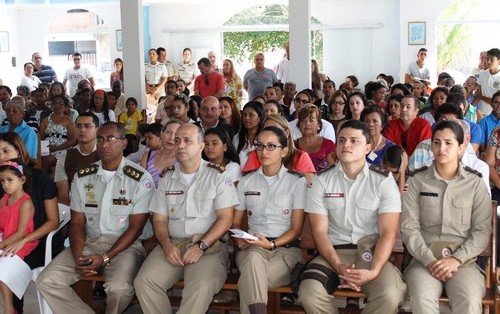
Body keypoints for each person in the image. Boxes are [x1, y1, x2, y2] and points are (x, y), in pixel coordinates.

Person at [36, 122, 154, 314]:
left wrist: (105, 257)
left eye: (110, 139)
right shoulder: (83, 177)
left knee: (119, 290)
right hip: (90, 242)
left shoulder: (140, 178)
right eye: (100, 139)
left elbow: (136, 228)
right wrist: (77, 256)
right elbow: (76, 223)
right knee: (47, 281)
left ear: (124, 143)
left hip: (126, 246)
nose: (104, 144)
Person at [298, 119, 406, 313]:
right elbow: (320, 232)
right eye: (341, 140)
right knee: (309, 292)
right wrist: (338, 266)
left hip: (371, 254)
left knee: (391, 294)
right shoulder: (321, 181)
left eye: (354, 141)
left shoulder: (383, 181)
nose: (346, 144)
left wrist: (374, 270)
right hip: (332, 255)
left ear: (367, 148)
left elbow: (388, 233)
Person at [134, 123, 239, 314]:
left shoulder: (217, 176)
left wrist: (201, 246)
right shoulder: (166, 178)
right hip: (173, 243)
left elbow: (225, 218)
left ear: (201, 145)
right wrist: (166, 245)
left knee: (200, 286)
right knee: (145, 282)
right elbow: (158, 220)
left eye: (187, 140)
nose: (180, 145)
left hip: (209, 246)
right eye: (177, 141)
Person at [401, 120, 491, 314]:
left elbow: (482, 230)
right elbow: (409, 227)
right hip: (424, 261)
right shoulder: (417, 181)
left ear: (461, 148)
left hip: (464, 263)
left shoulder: (475, 183)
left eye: (448, 143)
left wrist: (456, 259)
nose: (441, 148)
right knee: (422, 300)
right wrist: (428, 260)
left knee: (469, 300)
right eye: (436, 142)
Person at [233, 126, 306, 313]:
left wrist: (272, 245)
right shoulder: (246, 182)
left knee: (249, 279)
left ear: (284, 151)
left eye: (271, 146)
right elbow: (235, 222)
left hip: (284, 250)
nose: (264, 151)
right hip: (252, 246)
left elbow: (296, 229)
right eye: (260, 146)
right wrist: (237, 237)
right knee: (252, 260)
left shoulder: (296, 182)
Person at [0, 133, 61, 313]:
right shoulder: (2, 180)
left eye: (5, 150)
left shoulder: (40, 178)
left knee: (7, 265)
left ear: (19, 150)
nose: (1, 156)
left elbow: (53, 221)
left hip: (40, 242)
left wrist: (23, 240)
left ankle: (12, 309)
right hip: (10, 238)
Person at [0, 159, 38, 314]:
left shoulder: (26, 203)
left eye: (10, 180)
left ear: (22, 180)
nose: (5, 185)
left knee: (2, 267)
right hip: (5, 238)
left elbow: (21, 233)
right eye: (2, 181)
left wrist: (1, 245)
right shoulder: (4, 199)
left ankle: (9, 308)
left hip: (22, 242)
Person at [243, 113, 315, 182]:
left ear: (286, 133)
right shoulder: (255, 155)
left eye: (275, 129)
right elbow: (247, 184)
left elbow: (308, 188)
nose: (270, 133)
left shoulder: (300, 157)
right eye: (267, 129)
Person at [54, 112, 99, 206]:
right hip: (74, 205)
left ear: (97, 130)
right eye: (78, 126)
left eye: (87, 126)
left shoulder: (104, 154)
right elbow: (63, 195)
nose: (82, 130)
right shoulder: (65, 156)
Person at [39, 95, 77, 172]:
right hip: (47, 149)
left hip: (63, 149)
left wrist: (56, 148)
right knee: (41, 158)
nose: (57, 105)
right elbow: (42, 138)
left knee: (48, 159)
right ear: (52, 105)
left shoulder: (69, 121)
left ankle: (40, 177)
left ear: (65, 106)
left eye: (61, 103)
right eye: (55, 103)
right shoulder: (45, 120)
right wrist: (45, 151)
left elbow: (73, 140)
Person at [295, 104, 335, 172]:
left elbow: (333, 171)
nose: (307, 124)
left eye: (311, 120)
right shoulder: (293, 145)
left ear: (319, 124)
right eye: (303, 121)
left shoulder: (328, 145)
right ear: (299, 124)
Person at [140, 121, 180, 188]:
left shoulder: (182, 161)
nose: (171, 137)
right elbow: (139, 183)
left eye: (176, 134)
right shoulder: (148, 156)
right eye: (168, 132)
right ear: (162, 134)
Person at [234, 101, 265, 169]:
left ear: (260, 118)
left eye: (251, 115)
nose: (247, 118)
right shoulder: (237, 138)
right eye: (244, 115)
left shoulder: (265, 139)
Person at [475, 48, 500, 115]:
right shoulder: (481, 73)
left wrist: (480, 96)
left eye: (492, 59)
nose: (488, 61)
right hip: (479, 112)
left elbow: (496, 101)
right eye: (487, 58)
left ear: (499, 61)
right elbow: (477, 94)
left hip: (494, 115)